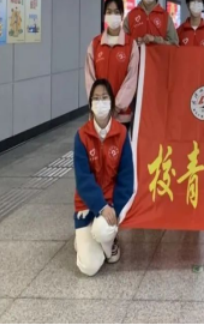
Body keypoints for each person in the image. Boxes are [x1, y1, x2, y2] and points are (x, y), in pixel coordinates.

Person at [74, 79, 133, 277]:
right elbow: (83, 180)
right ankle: (85, 239)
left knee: (102, 231)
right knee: (89, 268)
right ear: (90, 103)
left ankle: (109, 248)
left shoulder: (121, 134)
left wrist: (114, 207)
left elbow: (127, 178)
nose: (100, 102)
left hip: (112, 202)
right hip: (87, 205)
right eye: (96, 98)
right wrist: (100, 206)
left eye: (104, 98)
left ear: (112, 102)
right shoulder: (81, 136)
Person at [85, 0, 139, 126]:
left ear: (122, 15)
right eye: (109, 12)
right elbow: (89, 77)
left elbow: (131, 79)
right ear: (104, 15)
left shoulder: (130, 44)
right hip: (99, 114)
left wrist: (117, 106)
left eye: (116, 12)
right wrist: (98, 103)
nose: (112, 15)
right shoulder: (95, 44)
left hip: (121, 116)